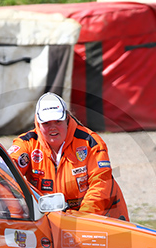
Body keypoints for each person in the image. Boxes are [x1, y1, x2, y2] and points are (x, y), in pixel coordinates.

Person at [8, 92, 129, 220]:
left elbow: (101, 184)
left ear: (66, 119)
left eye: (58, 122)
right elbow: (4, 170)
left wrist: (82, 220)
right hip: (54, 222)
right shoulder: (27, 143)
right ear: (38, 123)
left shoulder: (90, 143)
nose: (53, 128)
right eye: (46, 123)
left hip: (101, 218)